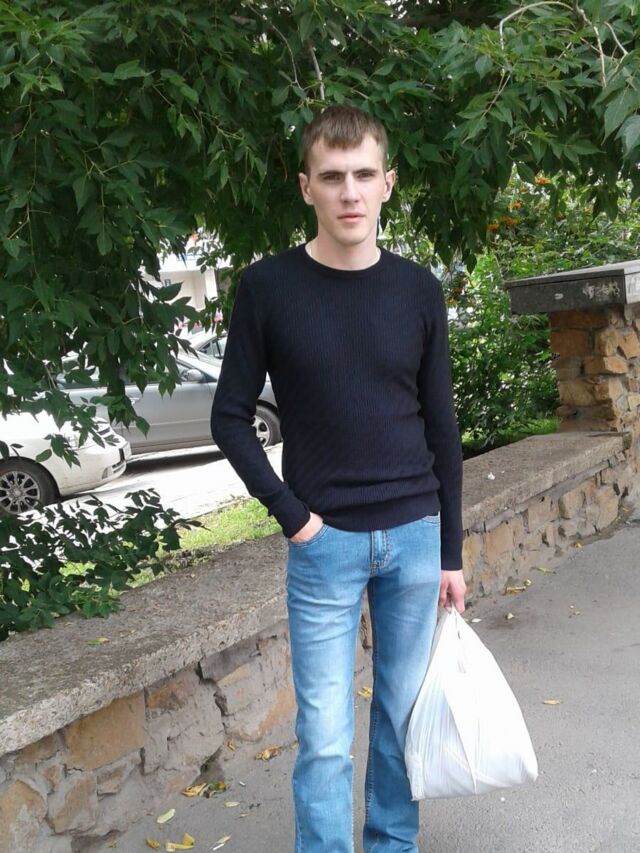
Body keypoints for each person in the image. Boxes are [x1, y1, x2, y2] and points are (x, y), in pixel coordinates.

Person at [210, 104, 466, 853]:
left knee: (400, 718)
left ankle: (393, 844)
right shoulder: (268, 287)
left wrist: (451, 551)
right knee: (324, 737)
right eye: (331, 177)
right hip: (323, 543)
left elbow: (442, 428)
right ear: (307, 187)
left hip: (415, 536)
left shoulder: (418, 289)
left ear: (387, 182)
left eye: (362, 175)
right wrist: (294, 517)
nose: (349, 192)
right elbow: (230, 417)